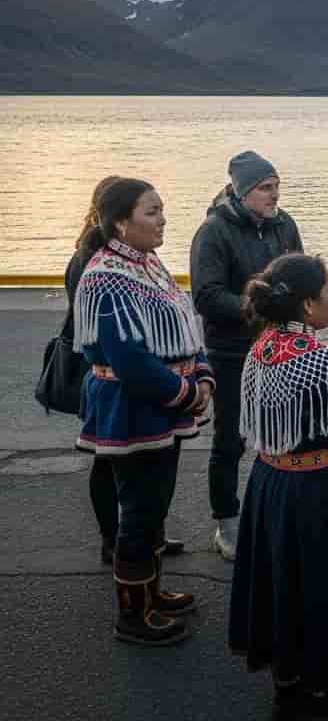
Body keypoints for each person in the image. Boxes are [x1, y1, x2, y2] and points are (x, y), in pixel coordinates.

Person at [229, 254, 328, 721]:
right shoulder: (324, 363)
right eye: (327, 291)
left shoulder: (260, 348)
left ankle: (287, 692)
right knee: (323, 594)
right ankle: (318, 703)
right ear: (305, 305)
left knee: (283, 590)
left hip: (270, 484)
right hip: (321, 493)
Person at [74, 178, 214, 646]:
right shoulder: (105, 275)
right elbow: (130, 359)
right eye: (152, 212)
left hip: (161, 404)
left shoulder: (148, 264)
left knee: (154, 503)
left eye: (162, 210)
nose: (163, 220)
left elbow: (184, 325)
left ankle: (151, 592)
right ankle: (132, 615)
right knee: (138, 507)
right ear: (120, 222)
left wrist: (204, 373)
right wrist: (188, 393)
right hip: (134, 409)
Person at [190, 150, 303, 561]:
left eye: (276, 186)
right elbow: (205, 295)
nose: (275, 195)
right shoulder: (213, 232)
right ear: (241, 192)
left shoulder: (285, 224)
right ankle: (228, 522)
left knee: (282, 432)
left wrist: (297, 313)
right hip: (232, 351)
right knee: (231, 440)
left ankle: (276, 512)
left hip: (281, 345)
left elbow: (300, 274)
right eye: (265, 188)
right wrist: (259, 307)